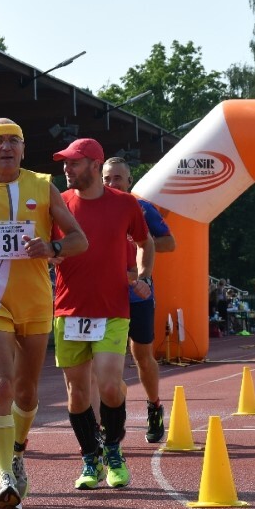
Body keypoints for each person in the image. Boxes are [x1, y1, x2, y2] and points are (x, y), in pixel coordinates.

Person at [0, 118, 88, 509]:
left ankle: (16, 451)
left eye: (14, 140)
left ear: (23, 149)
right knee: (0, 383)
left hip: (34, 300)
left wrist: (51, 248)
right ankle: (5, 475)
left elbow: (79, 239)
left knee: (27, 391)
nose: (6, 147)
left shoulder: (43, 186)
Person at [53, 139, 153, 489]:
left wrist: (142, 277)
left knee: (110, 386)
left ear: (95, 165)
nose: (67, 169)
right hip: (69, 309)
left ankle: (113, 451)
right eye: (65, 163)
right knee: (78, 393)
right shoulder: (61, 204)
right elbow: (50, 247)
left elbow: (145, 242)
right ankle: (89, 460)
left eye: (74, 163)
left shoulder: (125, 204)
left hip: (112, 309)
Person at [101, 156, 175, 442]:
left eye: (117, 178)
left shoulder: (143, 209)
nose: (111, 183)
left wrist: (140, 241)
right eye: (107, 178)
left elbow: (170, 242)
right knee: (109, 361)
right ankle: (112, 417)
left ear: (129, 181)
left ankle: (154, 405)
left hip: (139, 294)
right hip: (106, 296)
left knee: (142, 356)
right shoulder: (95, 208)